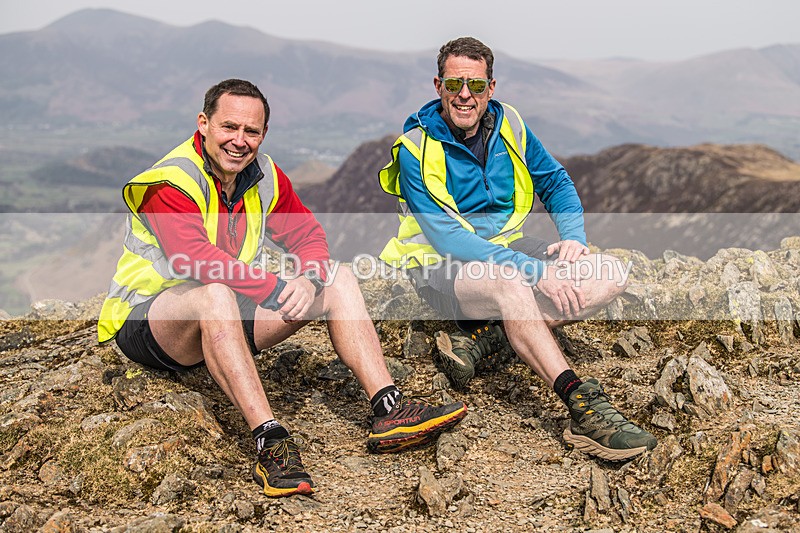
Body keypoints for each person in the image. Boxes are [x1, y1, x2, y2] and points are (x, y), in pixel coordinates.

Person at [97, 79, 467, 497]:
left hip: (223, 322)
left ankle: (389, 407)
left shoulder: (264, 175)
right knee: (215, 292)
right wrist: (274, 288)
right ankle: (270, 441)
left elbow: (308, 233)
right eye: (228, 127)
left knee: (337, 276)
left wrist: (309, 279)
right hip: (150, 323)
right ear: (203, 124)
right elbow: (194, 260)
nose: (240, 141)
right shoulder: (171, 181)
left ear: (263, 134)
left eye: (251, 131)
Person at [378, 38, 656, 461]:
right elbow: (451, 240)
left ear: (491, 87)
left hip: (505, 249)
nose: (464, 95)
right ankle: (582, 404)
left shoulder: (511, 124)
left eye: (475, 84)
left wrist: (575, 240)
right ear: (438, 85)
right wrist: (535, 270)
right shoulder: (415, 147)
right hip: (442, 268)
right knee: (513, 281)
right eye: (454, 84)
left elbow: (556, 182)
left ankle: (490, 338)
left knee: (610, 272)